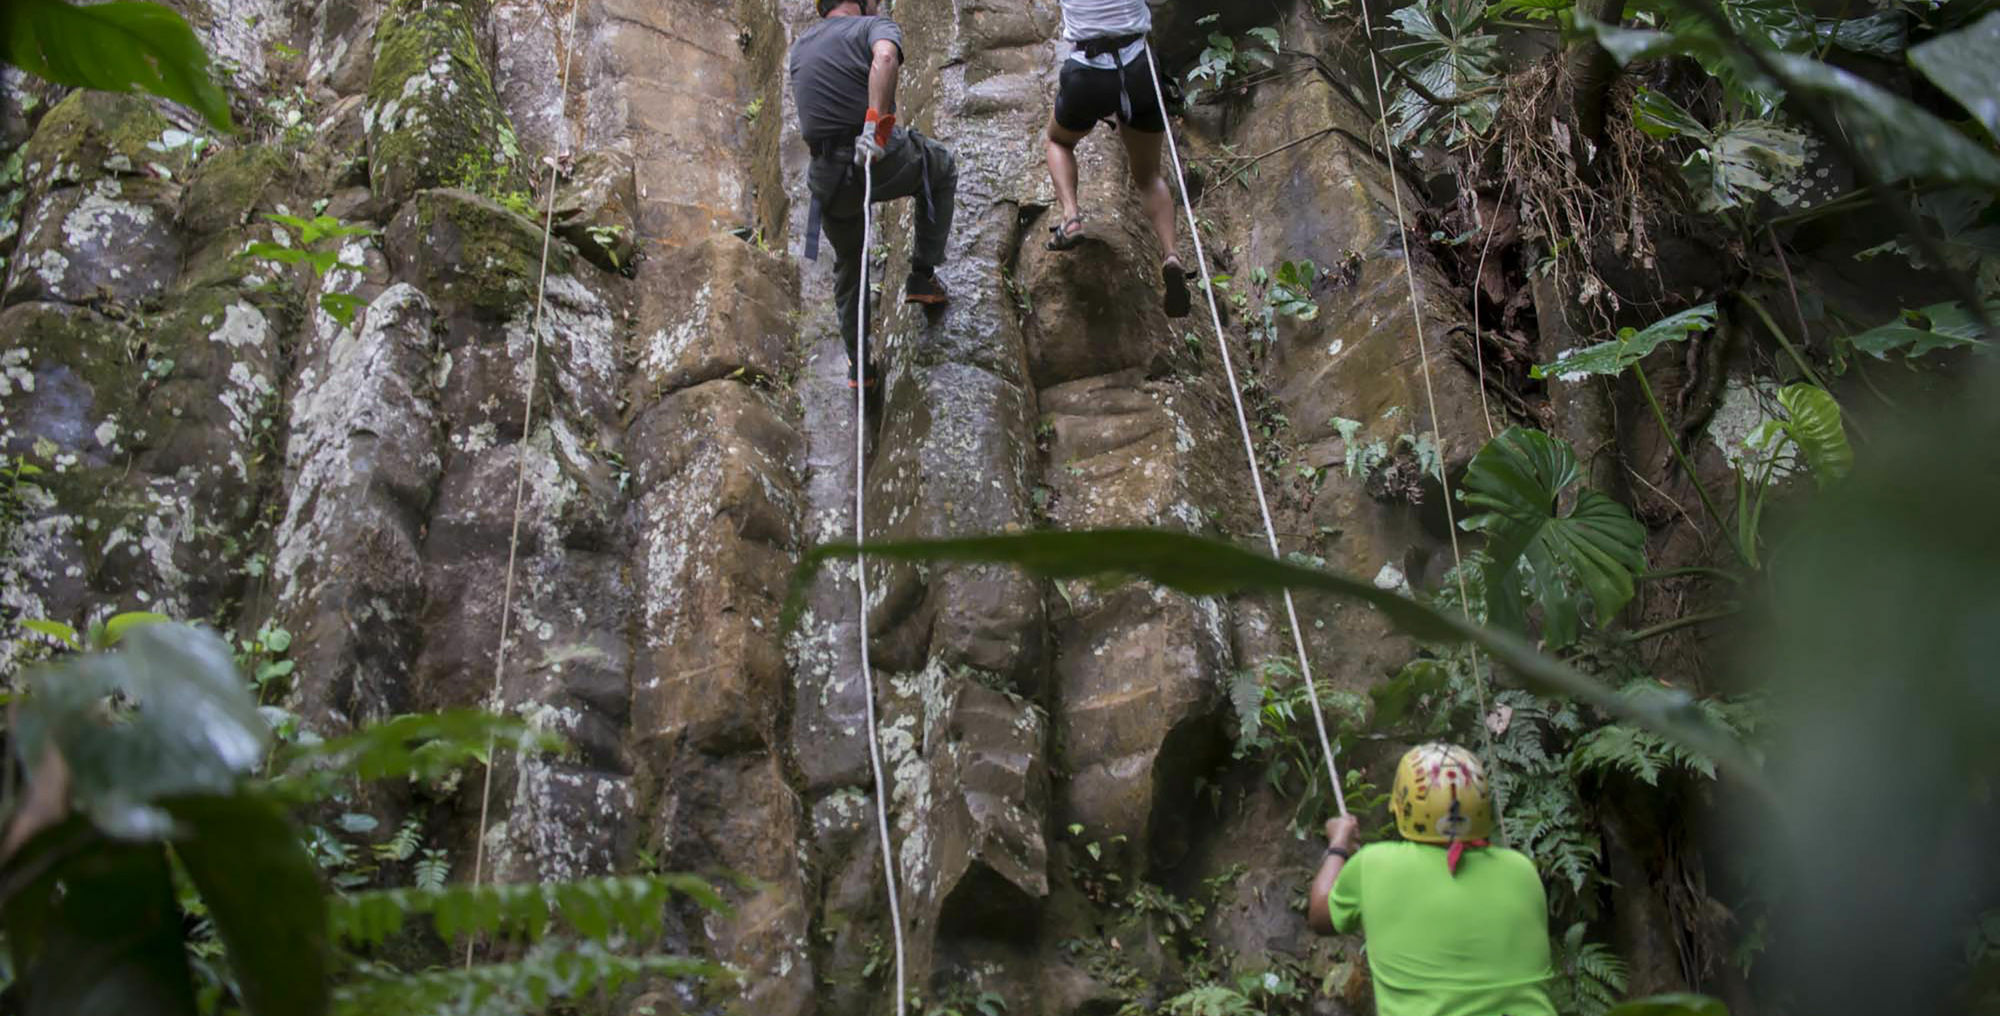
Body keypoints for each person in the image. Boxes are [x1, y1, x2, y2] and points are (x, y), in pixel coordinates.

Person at [1308, 743, 1559, 1016]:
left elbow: (1320, 915)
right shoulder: (1522, 871)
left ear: (1403, 804)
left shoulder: (1374, 864)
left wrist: (1339, 844)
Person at [790, 0, 957, 386]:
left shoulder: (800, 46)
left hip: (828, 177)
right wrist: (875, 126)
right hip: (873, 156)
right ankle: (922, 276)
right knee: (940, 166)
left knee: (850, 263)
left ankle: (859, 367)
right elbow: (885, 58)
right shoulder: (873, 27)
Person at [1044, 0, 1190, 318]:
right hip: (1139, 68)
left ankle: (1071, 218)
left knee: (1058, 141)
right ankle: (1171, 255)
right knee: (1149, 176)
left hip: (1088, 73)